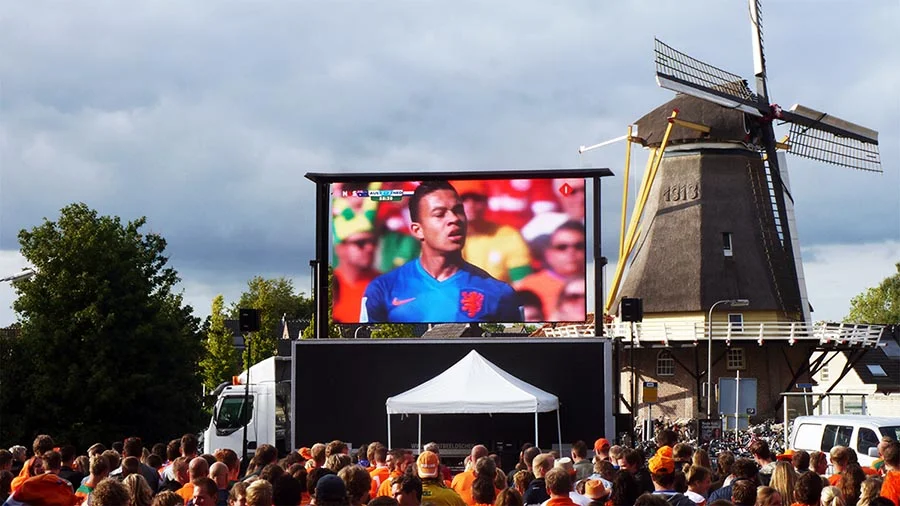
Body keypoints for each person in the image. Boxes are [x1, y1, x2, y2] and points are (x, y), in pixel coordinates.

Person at [362, 181, 521, 323]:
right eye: (439, 214)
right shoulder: (383, 289)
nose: (454, 219)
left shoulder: (500, 293)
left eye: (458, 210)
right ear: (418, 230)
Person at [451, 180, 532, 284]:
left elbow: (523, 283)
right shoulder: (442, 236)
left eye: (477, 199)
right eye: (464, 199)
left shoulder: (508, 236)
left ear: (486, 202)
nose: (470, 204)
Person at [515, 221, 586, 321]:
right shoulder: (529, 286)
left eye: (579, 246)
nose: (571, 252)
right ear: (548, 254)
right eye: (562, 247)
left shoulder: (599, 284)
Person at [332, 216, 381, 323]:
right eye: (361, 243)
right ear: (340, 248)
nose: (370, 248)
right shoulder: (331, 286)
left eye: (373, 242)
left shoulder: (386, 283)